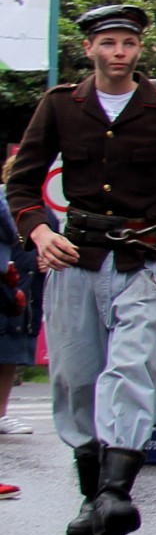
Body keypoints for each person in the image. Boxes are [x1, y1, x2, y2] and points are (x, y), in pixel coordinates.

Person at [4, 5, 156, 535]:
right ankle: (91, 495)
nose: (119, 53)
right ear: (90, 49)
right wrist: (39, 232)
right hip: (77, 259)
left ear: (139, 49)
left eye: (129, 43)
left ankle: (117, 493)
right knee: (76, 377)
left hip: (143, 262)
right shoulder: (60, 107)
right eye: (109, 43)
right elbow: (22, 184)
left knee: (132, 369)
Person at [0, 170, 47, 436]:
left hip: (22, 288)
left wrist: (44, 257)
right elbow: (11, 232)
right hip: (8, 282)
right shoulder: (5, 201)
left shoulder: (40, 209)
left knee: (9, 353)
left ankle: (1, 414)